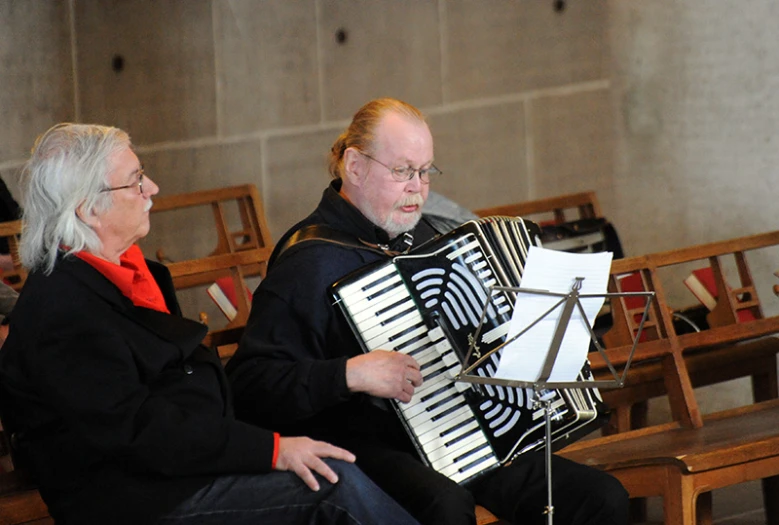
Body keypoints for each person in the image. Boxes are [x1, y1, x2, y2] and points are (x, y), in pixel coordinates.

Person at [226, 98, 630, 525]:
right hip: (365, 445)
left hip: (462, 431)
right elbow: (249, 387)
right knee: (446, 506)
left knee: (598, 497)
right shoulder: (308, 261)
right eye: (402, 171)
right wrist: (350, 374)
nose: (417, 187)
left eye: (425, 171)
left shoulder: (429, 238)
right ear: (355, 166)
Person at [0, 123, 420, 525]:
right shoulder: (62, 310)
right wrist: (271, 449)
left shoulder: (129, 270)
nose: (152, 189)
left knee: (336, 462)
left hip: (184, 469)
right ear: (88, 209)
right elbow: (141, 432)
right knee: (332, 486)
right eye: (135, 181)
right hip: (138, 501)